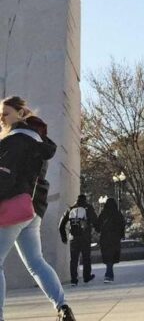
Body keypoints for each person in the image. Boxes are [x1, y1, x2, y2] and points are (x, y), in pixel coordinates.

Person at [0, 96, 75, 321]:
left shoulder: (14, 140)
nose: (1, 118)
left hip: (13, 207)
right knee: (35, 262)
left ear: (21, 113)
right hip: (31, 211)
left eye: (6, 113)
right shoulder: (37, 139)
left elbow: (5, 178)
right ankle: (63, 308)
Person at [59, 194, 98, 286]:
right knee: (86, 258)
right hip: (85, 238)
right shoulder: (88, 208)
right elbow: (95, 220)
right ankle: (86, 277)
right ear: (85, 200)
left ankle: (73, 279)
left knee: (74, 260)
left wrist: (64, 237)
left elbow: (61, 224)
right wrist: (97, 229)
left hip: (73, 238)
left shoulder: (71, 209)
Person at [96, 197, 125, 282]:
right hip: (115, 239)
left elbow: (97, 226)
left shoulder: (103, 214)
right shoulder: (118, 214)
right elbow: (122, 225)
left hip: (104, 239)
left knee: (108, 257)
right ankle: (109, 275)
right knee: (112, 258)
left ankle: (108, 275)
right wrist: (121, 235)